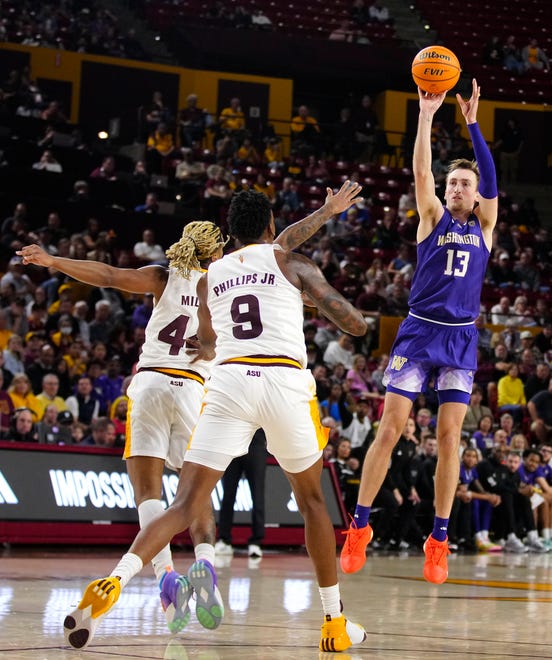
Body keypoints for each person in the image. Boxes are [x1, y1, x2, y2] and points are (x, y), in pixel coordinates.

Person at [20, 180, 365, 645]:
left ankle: (116, 580)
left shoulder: (209, 277)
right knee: (312, 502)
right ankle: (332, 622)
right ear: (269, 226)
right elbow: (354, 323)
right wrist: (315, 296)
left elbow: (201, 337)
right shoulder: (290, 262)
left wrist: (54, 260)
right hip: (274, 380)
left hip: (219, 384)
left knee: (179, 502)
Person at [340, 79, 498, 585]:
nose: (457, 188)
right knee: (389, 431)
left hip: (460, 339)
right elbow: (421, 170)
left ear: (476, 197)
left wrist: (473, 124)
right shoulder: (430, 217)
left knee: (450, 438)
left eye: (465, 185)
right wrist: (428, 115)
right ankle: (359, 527)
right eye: (453, 183)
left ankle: (439, 538)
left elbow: (491, 177)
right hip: (418, 333)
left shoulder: (486, 226)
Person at [214, 428, 268, 558]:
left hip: (256, 444)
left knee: (257, 495)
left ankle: (256, 542)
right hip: (233, 444)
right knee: (228, 494)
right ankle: (224, 539)